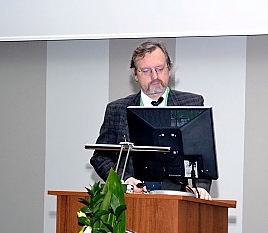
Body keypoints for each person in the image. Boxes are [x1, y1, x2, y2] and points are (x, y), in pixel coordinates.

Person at [90, 40, 212, 200]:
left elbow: (203, 155)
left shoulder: (191, 104)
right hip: (131, 201)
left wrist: (201, 188)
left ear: (169, 69)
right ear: (135, 74)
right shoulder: (117, 109)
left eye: (160, 69)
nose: (155, 77)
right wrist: (124, 180)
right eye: (146, 71)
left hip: (176, 200)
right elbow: (100, 157)